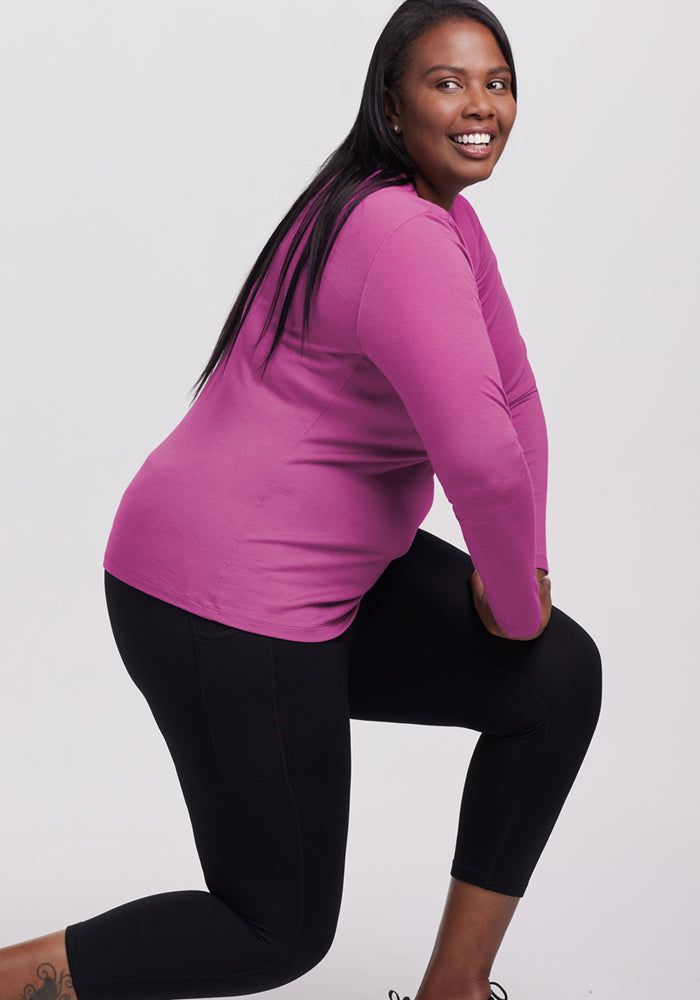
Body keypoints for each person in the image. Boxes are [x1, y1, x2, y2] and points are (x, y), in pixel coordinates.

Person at [1, 2, 602, 999]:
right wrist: (511, 593)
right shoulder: (396, 230)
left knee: (554, 678)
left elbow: (516, 401)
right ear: (391, 105)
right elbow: (481, 457)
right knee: (272, 930)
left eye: (496, 81)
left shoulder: (437, 217)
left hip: (315, 576)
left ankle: (451, 990)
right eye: (446, 82)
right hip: (219, 603)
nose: (479, 105)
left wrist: (522, 581)